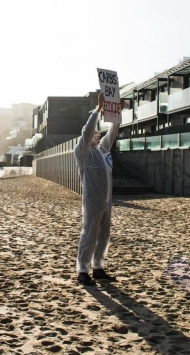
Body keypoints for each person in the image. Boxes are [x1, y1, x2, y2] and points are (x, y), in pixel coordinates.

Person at [75, 93, 123, 286]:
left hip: (106, 199)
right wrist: (98, 110)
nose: (98, 134)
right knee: (89, 232)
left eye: (98, 132)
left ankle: (98, 267)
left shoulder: (103, 150)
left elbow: (113, 132)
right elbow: (87, 131)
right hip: (92, 199)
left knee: (104, 234)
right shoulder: (83, 152)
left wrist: (118, 112)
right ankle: (83, 270)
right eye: (96, 132)